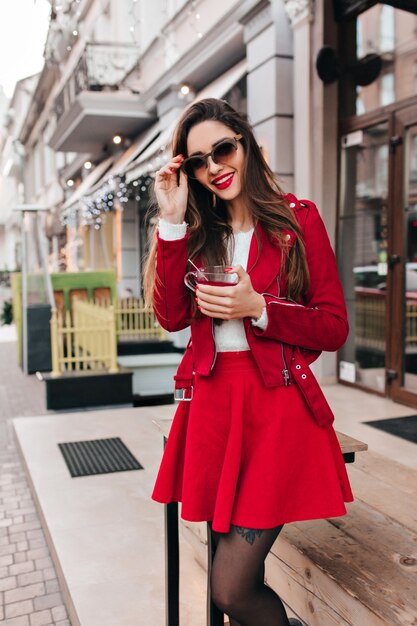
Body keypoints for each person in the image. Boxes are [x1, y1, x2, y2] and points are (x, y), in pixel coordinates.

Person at [144, 98, 354, 626]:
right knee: (230, 580)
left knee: (231, 589)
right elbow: (171, 317)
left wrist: (260, 308)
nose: (214, 166)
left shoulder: (297, 221)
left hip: (278, 412)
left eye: (222, 149)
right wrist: (170, 220)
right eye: (197, 160)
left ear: (245, 144)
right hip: (213, 408)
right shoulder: (193, 236)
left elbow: (332, 326)